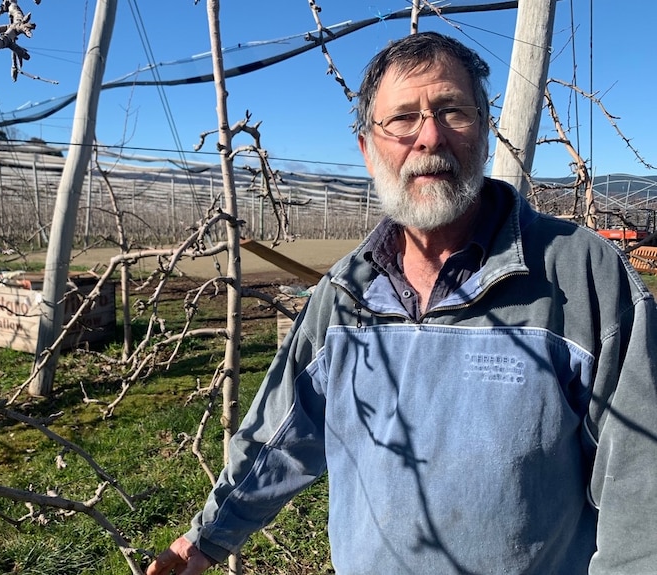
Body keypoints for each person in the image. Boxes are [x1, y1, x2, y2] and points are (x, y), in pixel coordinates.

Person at [147, 32, 657, 575]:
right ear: (369, 150)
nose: (430, 137)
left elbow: (640, 481)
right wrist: (207, 537)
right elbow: (282, 432)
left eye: (452, 111)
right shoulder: (344, 296)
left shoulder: (583, 277)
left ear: (484, 133)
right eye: (403, 118)